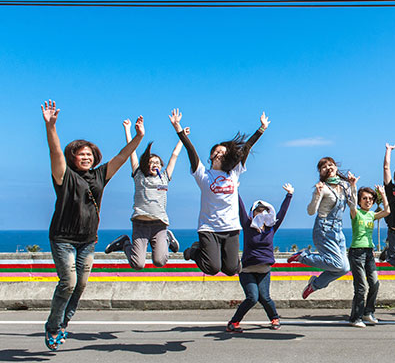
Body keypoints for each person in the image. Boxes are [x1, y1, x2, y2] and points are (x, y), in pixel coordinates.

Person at [41, 100, 144, 351]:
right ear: (73, 157)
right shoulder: (64, 175)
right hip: (63, 238)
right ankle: (53, 327)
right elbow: (55, 152)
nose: (86, 157)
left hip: (88, 239)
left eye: (89, 154)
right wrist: (51, 127)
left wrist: (139, 137)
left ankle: (63, 322)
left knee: (81, 285)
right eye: (81, 154)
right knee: (68, 282)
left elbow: (121, 157)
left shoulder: (100, 175)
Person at [171, 108, 270, 276]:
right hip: (209, 228)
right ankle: (193, 251)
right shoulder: (202, 174)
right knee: (212, 268)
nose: (219, 154)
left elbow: (247, 147)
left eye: (223, 152)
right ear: (210, 156)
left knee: (231, 270)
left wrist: (261, 129)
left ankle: (212, 256)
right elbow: (190, 149)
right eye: (216, 151)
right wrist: (178, 128)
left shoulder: (233, 172)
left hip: (231, 227)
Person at [104, 117, 184, 267]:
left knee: (160, 261)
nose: (154, 164)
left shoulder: (165, 177)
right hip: (140, 223)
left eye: (157, 162)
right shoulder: (139, 175)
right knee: (138, 264)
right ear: (145, 165)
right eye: (150, 162)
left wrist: (182, 138)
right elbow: (131, 151)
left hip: (160, 224)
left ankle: (167, 238)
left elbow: (174, 155)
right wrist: (128, 130)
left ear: (161, 165)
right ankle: (124, 243)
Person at [226, 183, 294, 332]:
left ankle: (274, 318)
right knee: (252, 297)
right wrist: (235, 190)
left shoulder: (271, 229)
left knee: (265, 297)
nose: (261, 213)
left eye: (264, 211)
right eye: (258, 211)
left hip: (264, 270)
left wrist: (289, 195)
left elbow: (282, 213)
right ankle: (233, 323)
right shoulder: (247, 226)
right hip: (247, 270)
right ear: (253, 213)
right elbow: (240, 209)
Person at [288, 157, 357, 299]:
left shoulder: (345, 185)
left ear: (336, 167)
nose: (329, 168)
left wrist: (353, 186)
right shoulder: (323, 187)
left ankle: (315, 284)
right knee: (337, 264)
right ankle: (303, 256)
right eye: (324, 167)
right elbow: (311, 211)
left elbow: (352, 206)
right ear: (321, 172)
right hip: (324, 229)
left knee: (344, 268)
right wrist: (317, 194)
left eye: (331, 165)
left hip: (338, 229)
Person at [347, 185, 391, 328]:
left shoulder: (372, 215)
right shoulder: (356, 213)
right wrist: (353, 186)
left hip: (369, 253)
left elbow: (387, 211)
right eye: (364, 198)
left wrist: (383, 194)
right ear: (360, 201)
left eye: (371, 199)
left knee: (375, 283)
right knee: (361, 287)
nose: (368, 201)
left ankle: (368, 312)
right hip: (356, 253)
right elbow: (352, 204)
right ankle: (355, 318)